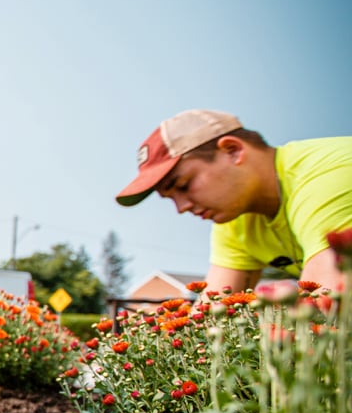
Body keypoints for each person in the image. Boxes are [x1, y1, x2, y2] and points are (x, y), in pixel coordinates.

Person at [115, 109, 352, 293]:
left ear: (232, 150)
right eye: (170, 199)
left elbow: (325, 311)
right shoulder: (236, 217)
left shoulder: (329, 176)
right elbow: (212, 318)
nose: (181, 208)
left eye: (183, 186)